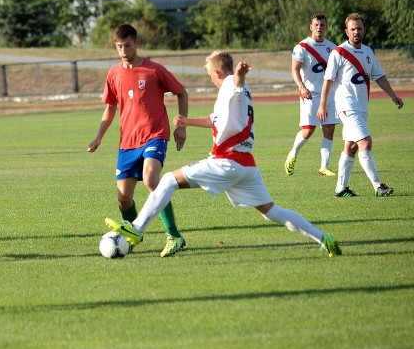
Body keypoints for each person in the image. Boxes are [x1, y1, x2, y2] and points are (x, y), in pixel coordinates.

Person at [105, 51, 342, 258]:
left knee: (167, 180)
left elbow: (236, 82)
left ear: (218, 72)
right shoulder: (235, 95)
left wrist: (239, 73)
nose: (210, 79)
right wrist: (187, 121)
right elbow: (215, 119)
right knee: (272, 211)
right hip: (246, 166)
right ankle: (324, 238)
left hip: (227, 161)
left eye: (210, 74)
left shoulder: (231, 84)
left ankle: (135, 229)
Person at [88, 23, 189, 258]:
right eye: (119, 46)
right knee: (123, 196)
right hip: (127, 142)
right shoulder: (113, 74)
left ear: (137, 44)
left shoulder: (154, 70)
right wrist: (99, 136)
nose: (124, 50)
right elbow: (110, 108)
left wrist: (181, 126)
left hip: (155, 135)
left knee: (152, 181)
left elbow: (181, 92)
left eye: (128, 45)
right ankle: (133, 233)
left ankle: (174, 235)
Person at [318, 12, 404, 197]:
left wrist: (392, 95)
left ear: (364, 30)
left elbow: (379, 76)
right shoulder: (338, 52)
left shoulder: (368, 52)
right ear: (346, 31)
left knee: (351, 147)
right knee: (365, 141)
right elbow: (328, 80)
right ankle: (378, 186)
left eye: (359, 28)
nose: (356, 32)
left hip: (362, 106)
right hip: (346, 106)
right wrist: (322, 104)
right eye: (352, 29)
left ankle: (341, 189)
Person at [285, 13, 339, 177]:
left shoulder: (333, 47)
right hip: (309, 94)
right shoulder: (302, 47)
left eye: (322, 25)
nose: (319, 28)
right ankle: (293, 153)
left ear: (326, 27)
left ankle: (324, 166)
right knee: (308, 130)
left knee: (329, 129)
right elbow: (294, 69)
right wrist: (301, 86)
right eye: (316, 25)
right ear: (311, 27)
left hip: (329, 94)